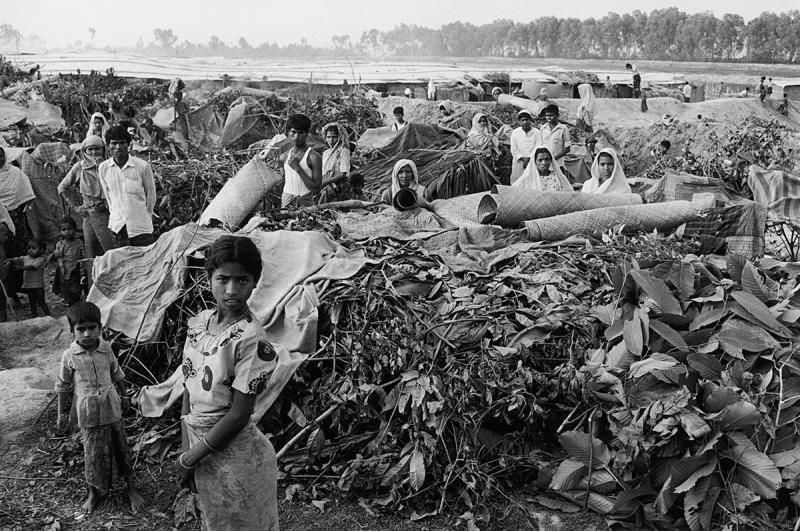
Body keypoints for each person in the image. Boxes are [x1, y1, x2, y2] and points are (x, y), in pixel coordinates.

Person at [177, 235, 279, 530]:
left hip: (237, 457)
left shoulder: (252, 339)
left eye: (242, 280)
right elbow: (189, 384)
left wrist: (191, 457)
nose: (232, 290)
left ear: (255, 282)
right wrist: (188, 448)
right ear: (208, 278)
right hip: (203, 447)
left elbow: (238, 414)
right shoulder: (199, 324)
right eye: (223, 279)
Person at [55, 301, 144, 514]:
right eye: (81, 329)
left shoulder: (106, 349)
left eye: (92, 328)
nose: (87, 334)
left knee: (121, 446)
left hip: (111, 406)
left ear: (100, 328)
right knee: (92, 452)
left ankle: (131, 489)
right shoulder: (69, 356)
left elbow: (117, 372)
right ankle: (93, 494)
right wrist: (61, 413)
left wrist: (124, 395)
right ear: (72, 331)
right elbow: (62, 385)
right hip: (87, 410)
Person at [59, 135, 116, 263]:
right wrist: (75, 207)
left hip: (111, 214)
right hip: (90, 216)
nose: (94, 152)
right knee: (92, 252)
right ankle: (93, 281)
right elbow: (62, 187)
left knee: (111, 251)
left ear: (104, 150)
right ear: (84, 151)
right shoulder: (80, 167)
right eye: (90, 149)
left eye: (97, 149)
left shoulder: (110, 166)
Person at [98, 126, 157, 247]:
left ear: (129, 145)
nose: (118, 147)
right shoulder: (103, 168)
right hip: (118, 229)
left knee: (146, 264)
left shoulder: (142, 167)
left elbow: (151, 197)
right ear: (108, 146)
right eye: (114, 144)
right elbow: (109, 198)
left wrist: (144, 217)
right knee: (124, 265)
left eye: (122, 143)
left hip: (141, 229)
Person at [0, 145, 36, 307]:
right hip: (0, 224)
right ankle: (9, 294)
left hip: (16, 222)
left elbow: (27, 193)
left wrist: (20, 209)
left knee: (20, 255)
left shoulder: (15, 173)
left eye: (1, 156)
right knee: (3, 257)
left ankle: (21, 288)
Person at [281, 114, 322, 209]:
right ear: (288, 132)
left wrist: (298, 169)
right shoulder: (285, 156)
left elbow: (316, 189)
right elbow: (287, 181)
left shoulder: (314, 157)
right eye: (293, 132)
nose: (296, 136)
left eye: (300, 133)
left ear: (306, 133)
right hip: (287, 201)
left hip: (306, 202)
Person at [5, 238, 49, 317]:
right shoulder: (26, 258)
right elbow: (17, 259)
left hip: (38, 286)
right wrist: (9, 260)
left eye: (33, 248)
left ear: (42, 250)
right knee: (32, 302)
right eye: (29, 248)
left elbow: (32, 267)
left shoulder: (41, 259)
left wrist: (20, 268)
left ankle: (48, 316)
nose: (30, 250)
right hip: (28, 285)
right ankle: (34, 316)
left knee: (41, 302)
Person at [50, 217, 86, 306]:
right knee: (66, 291)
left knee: (75, 291)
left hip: (75, 270)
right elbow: (54, 258)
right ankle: (71, 306)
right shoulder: (59, 244)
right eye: (64, 229)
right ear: (60, 231)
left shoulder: (79, 242)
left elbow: (84, 255)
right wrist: (55, 254)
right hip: (63, 272)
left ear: (75, 229)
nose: (67, 231)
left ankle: (77, 306)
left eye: (70, 229)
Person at [317, 122, 351, 204]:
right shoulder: (325, 153)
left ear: (339, 137)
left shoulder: (343, 152)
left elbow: (343, 174)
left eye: (334, 137)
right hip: (326, 186)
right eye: (328, 137)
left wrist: (326, 182)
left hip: (340, 187)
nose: (331, 140)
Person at [509, 110, 543, 183]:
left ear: (530, 120)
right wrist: (523, 159)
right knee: (517, 182)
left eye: (527, 120)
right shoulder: (515, 132)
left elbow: (538, 146)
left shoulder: (537, 132)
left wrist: (529, 158)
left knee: (532, 181)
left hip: (533, 161)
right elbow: (513, 149)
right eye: (523, 120)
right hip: (519, 162)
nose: (525, 122)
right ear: (519, 121)